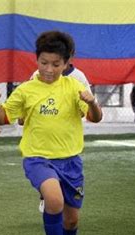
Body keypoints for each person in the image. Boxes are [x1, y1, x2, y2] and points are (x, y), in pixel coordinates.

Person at [0, 30, 102, 235]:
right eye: (44, 63)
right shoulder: (27, 89)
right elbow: (3, 118)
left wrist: (91, 102)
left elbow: (95, 117)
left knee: (71, 221)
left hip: (70, 161)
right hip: (38, 158)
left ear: (67, 62)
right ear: (36, 60)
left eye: (56, 64)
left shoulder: (75, 86)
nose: (49, 69)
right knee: (54, 200)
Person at [28, 39, 93, 214]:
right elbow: (30, 97)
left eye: (58, 61)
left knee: (70, 214)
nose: (50, 68)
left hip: (66, 136)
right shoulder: (37, 74)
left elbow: (88, 106)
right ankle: (47, 194)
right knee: (44, 172)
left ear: (69, 57)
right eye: (45, 62)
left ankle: (59, 199)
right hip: (41, 137)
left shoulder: (78, 77)